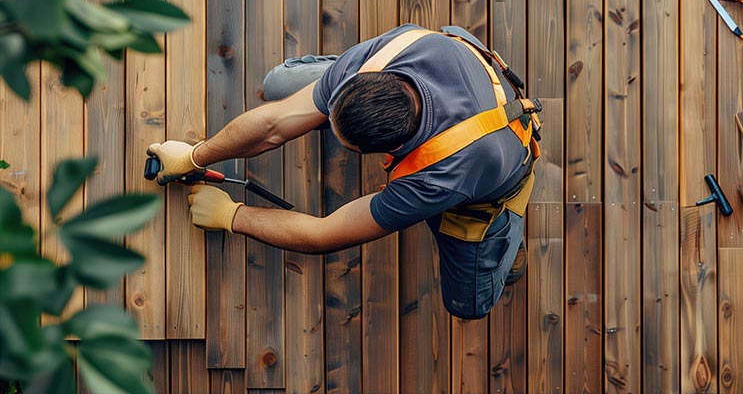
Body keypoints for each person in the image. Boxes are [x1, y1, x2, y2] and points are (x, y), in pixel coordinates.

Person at [147, 24, 541, 320]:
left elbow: (324, 235)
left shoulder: (436, 179)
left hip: (492, 171)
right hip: (455, 75)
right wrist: (197, 155)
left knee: (469, 305)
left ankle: (507, 240)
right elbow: (274, 124)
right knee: (280, 85)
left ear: (388, 152)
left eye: (345, 141)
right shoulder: (393, 51)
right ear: (368, 80)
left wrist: (233, 216)